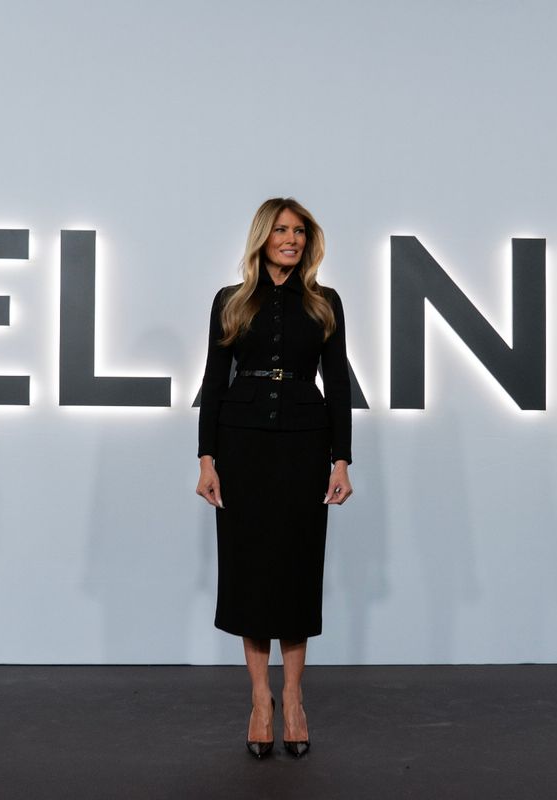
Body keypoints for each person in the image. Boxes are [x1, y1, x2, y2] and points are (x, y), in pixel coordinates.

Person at [196, 197, 353, 758]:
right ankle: (260, 700)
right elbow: (215, 379)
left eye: (300, 232)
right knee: (250, 571)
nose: (291, 239)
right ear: (263, 236)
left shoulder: (325, 302)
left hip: (305, 445)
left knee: (296, 568)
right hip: (242, 446)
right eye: (282, 230)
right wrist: (207, 458)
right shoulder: (231, 300)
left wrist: (341, 459)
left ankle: (294, 698)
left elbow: (338, 383)